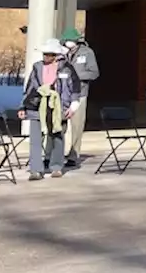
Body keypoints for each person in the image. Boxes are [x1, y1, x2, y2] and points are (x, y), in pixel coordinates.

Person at [18, 39, 79, 180]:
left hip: (58, 106)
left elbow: (75, 88)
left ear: (57, 55)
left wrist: (73, 105)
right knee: (35, 139)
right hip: (36, 106)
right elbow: (30, 88)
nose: (46, 57)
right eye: (45, 54)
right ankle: (36, 170)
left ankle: (56, 167)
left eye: (50, 54)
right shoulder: (37, 67)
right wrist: (23, 106)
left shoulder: (67, 68)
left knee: (57, 136)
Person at [59, 27, 99, 168]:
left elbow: (94, 73)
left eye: (70, 40)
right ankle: (57, 153)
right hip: (62, 94)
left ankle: (73, 155)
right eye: (66, 41)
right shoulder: (61, 53)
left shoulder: (87, 53)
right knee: (59, 125)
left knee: (76, 126)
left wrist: (75, 77)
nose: (68, 43)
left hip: (80, 94)